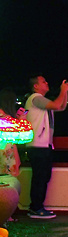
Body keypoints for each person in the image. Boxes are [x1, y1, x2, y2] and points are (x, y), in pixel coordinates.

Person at [24, 75, 68, 220]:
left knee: (43, 176)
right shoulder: (35, 98)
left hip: (44, 145)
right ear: (36, 86)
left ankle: (37, 207)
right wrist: (62, 90)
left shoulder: (43, 101)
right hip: (37, 145)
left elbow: (61, 106)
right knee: (40, 177)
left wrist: (65, 92)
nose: (47, 83)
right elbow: (57, 105)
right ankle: (36, 208)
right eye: (43, 81)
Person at [0, 89, 24, 226]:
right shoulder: (5, 118)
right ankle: (6, 215)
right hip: (5, 152)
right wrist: (20, 121)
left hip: (6, 151)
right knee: (8, 183)